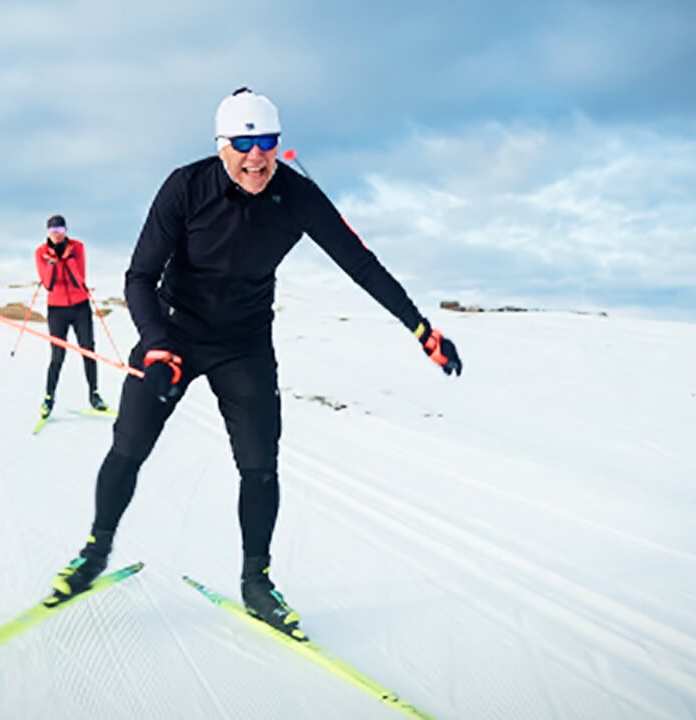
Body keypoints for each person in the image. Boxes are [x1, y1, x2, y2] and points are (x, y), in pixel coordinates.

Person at [46, 89, 462, 636]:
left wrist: (420, 326)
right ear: (222, 146)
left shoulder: (297, 195)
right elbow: (140, 276)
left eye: (267, 143)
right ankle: (94, 554)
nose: (256, 157)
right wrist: (156, 340)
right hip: (175, 330)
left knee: (260, 464)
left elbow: (360, 263)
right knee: (130, 444)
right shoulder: (186, 186)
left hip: (244, 343)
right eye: (244, 144)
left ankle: (256, 583)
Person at [34, 214, 108, 418]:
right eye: (53, 231)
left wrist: (68, 258)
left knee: (88, 350)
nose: (57, 235)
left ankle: (94, 395)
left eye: (60, 231)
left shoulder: (78, 247)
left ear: (66, 230)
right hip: (57, 310)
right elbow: (48, 284)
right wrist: (51, 263)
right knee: (58, 355)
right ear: (48, 232)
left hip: (80, 306)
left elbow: (79, 279)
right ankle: (49, 399)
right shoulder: (40, 253)